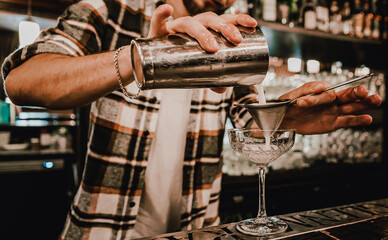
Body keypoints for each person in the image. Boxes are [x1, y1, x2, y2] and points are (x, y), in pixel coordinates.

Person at [1, 0, 381, 239]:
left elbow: (250, 118)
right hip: (104, 228)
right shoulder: (110, 11)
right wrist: (142, 58)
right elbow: (22, 81)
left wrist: (288, 115)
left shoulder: (232, 35)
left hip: (199, 230)